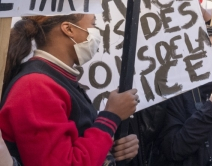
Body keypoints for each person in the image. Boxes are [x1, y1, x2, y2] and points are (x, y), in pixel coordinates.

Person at [0, 15, 139, 165]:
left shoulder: (54, 78)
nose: (96, 32)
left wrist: (110, 150)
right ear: (68, 29)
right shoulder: (35, 87)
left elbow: (76, 144)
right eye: (93, 24)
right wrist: (111, 117)